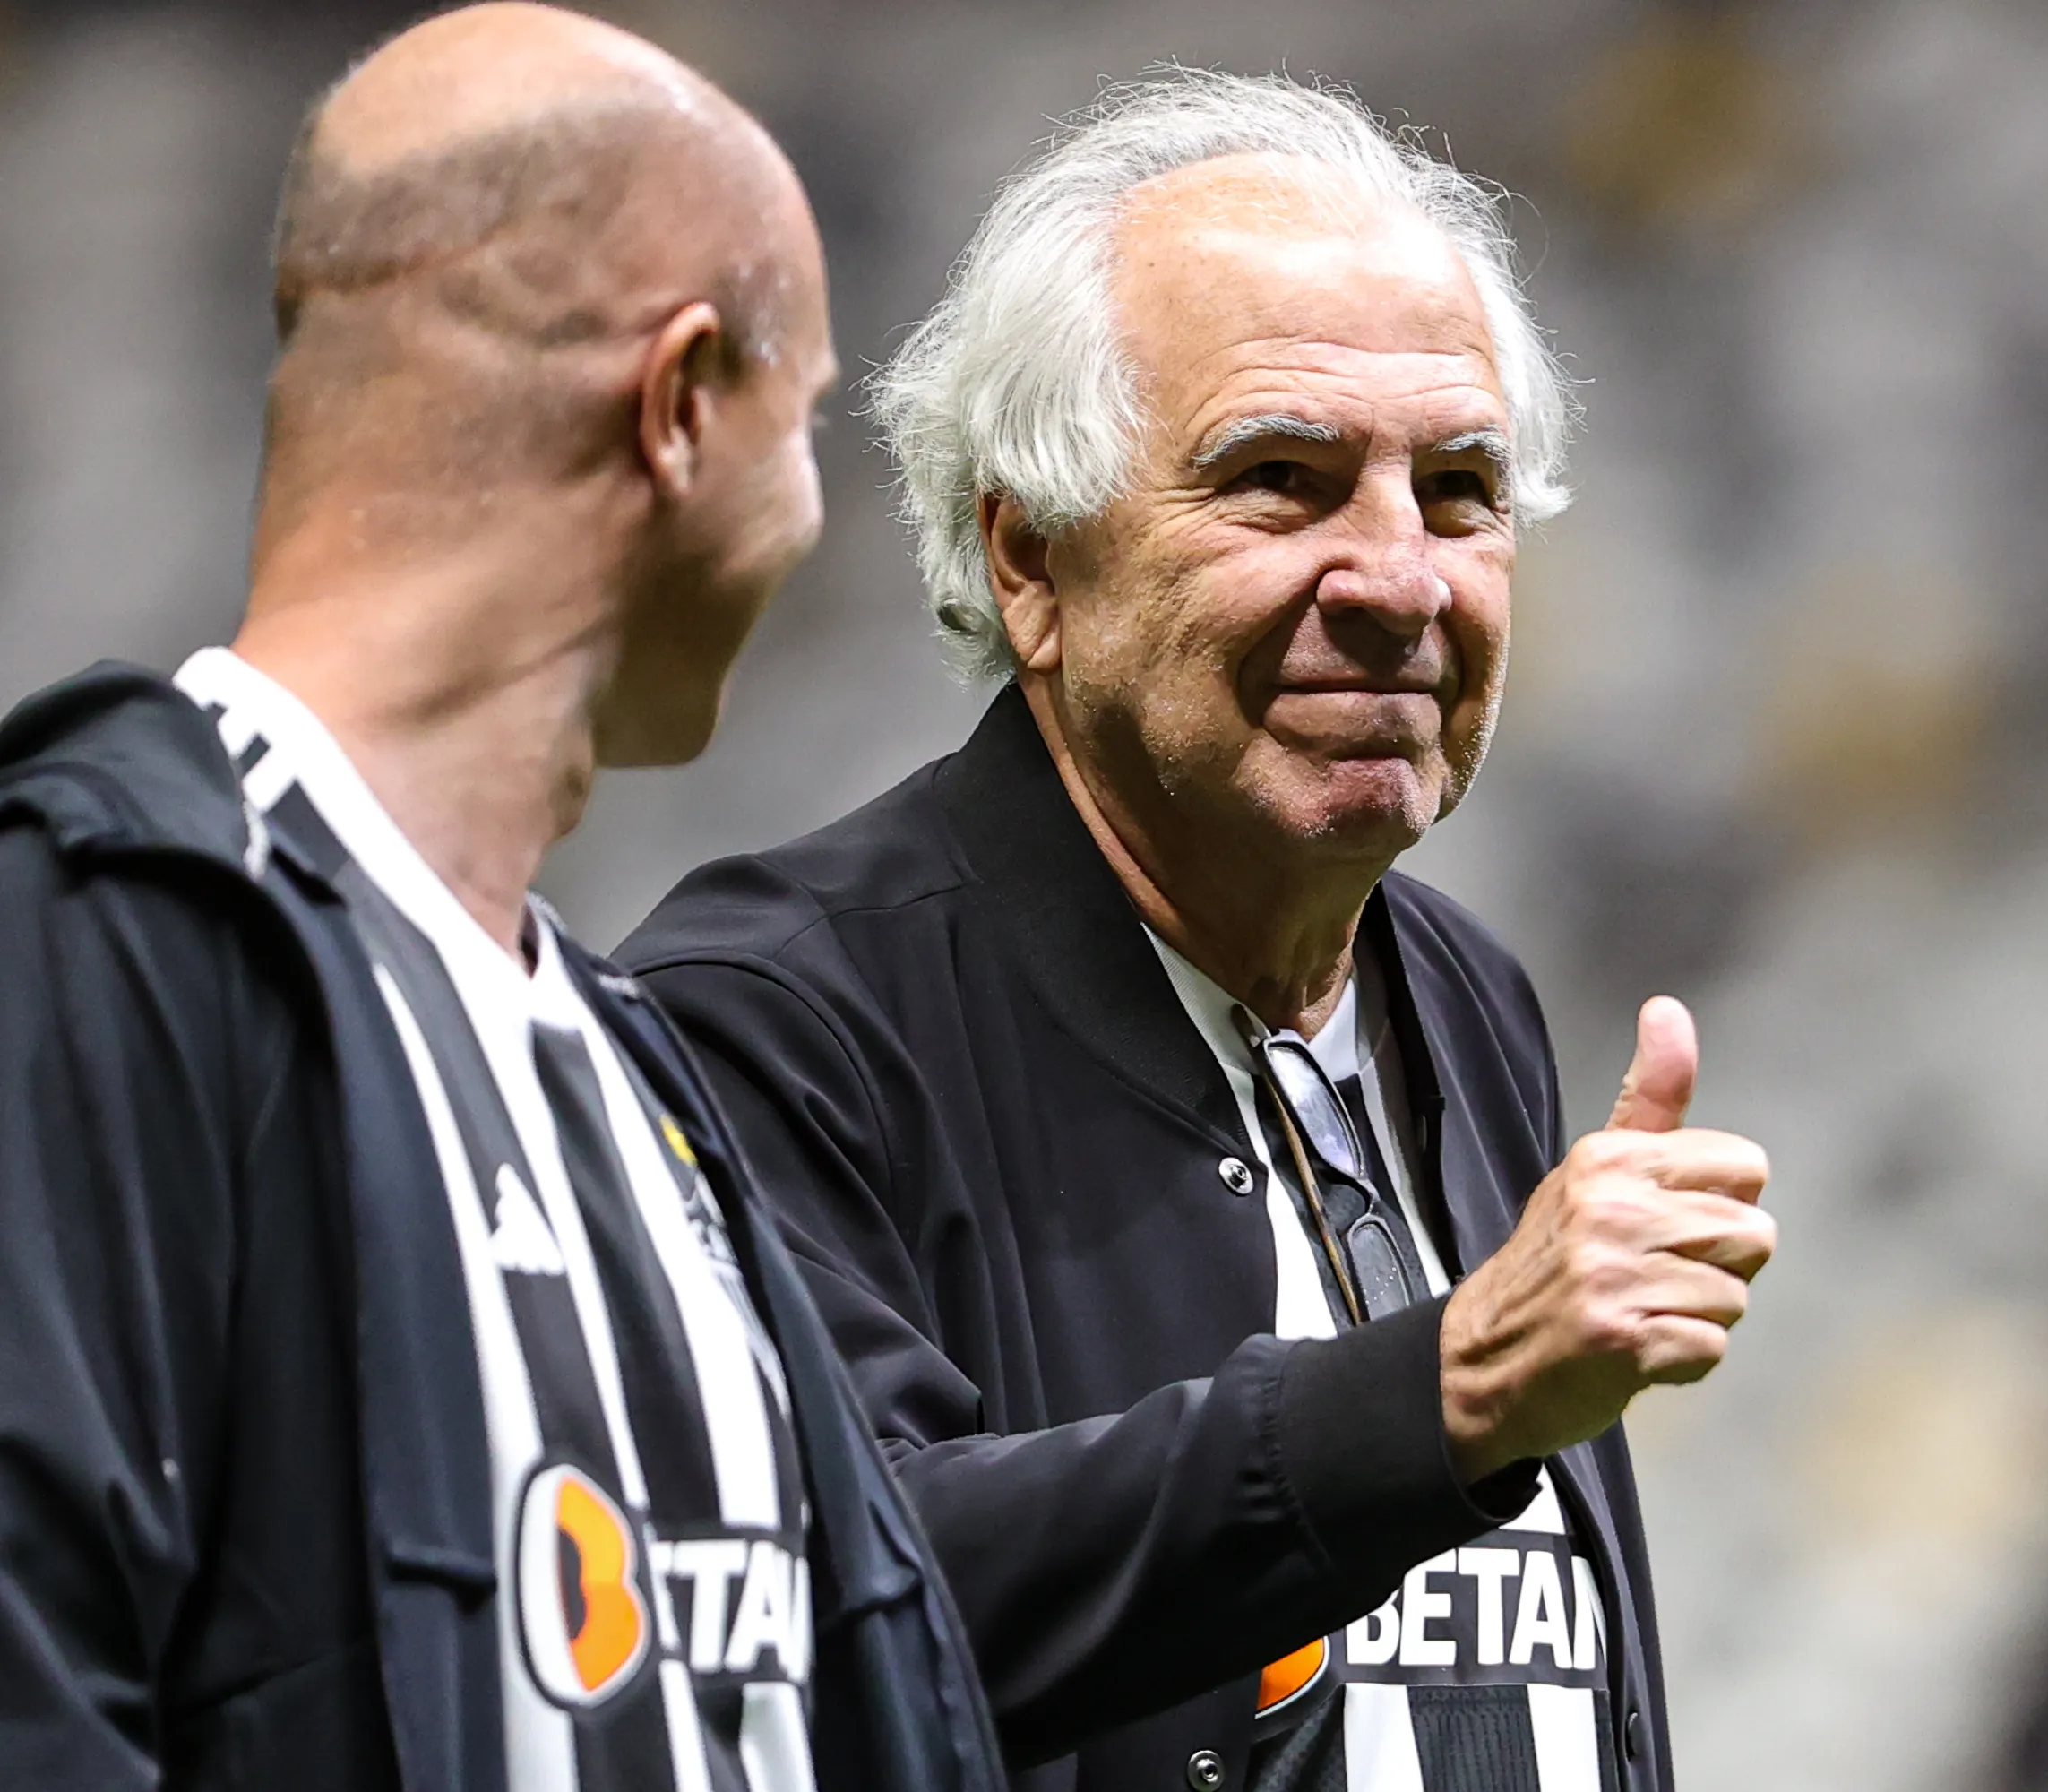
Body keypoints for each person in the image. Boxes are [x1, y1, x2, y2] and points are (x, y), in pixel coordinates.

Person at [622, 71, 1775, 1792]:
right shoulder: (767, 1021)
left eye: (1458, 490)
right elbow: (822, 1614)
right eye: (1283, 479)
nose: (1401, 581)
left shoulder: (1465, 999)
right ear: (1031, 562)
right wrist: (1444, 1395)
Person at [0, 7, 1002, 1790]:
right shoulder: (92, 941)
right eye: (807, 423)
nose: (810, 517)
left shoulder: (631, 1073)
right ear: (681, 402)